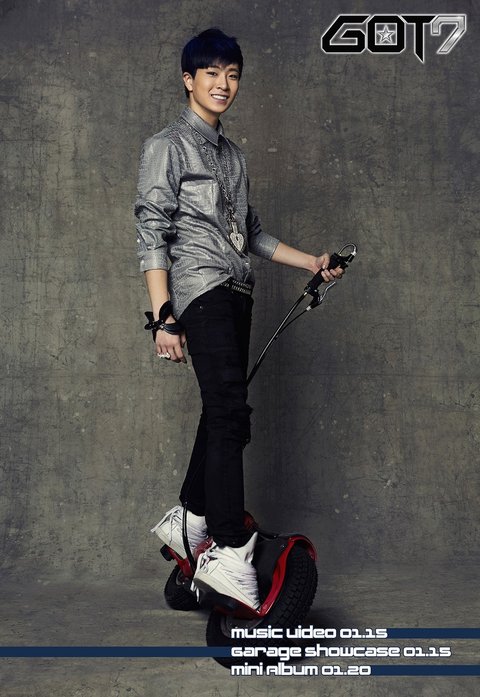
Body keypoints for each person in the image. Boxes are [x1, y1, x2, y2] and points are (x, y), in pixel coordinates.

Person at [134, 28, 343, 611]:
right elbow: (152, 231)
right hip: (198, 290)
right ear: (188, 79)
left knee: (223, 409)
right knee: (230, 413)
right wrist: (164, 318)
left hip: (237, 292)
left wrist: (313, 262)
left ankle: (189, 519)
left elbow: (250, 233)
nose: (223, 84)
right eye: (212, 73)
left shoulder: (234, 156)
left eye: (232, 75)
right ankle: (227, 546)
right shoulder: (167, 146)